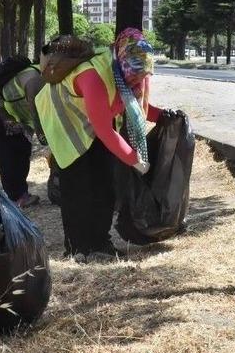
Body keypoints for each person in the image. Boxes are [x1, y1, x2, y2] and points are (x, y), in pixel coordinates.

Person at [35, 28, 163, 262]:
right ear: (123, 66)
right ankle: (78, 248)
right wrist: (134, 160)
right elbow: (104, 130)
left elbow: (138, 105)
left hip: (90, 117)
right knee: (78, 184)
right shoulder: (93, 77)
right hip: (63, 119)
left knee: (105, 183)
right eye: (133, 77)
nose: (137, 82)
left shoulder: (134, 70)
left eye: (141, 77)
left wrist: (165, 117)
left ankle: (100, 242)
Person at [0, 59, 46, 207]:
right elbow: (35, 113)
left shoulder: (41, 76)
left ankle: (21, 193)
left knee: (22, 151)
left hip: (15, 114)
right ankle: (17, 197)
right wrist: (43, 136)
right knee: (8, 156)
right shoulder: (34, 81)